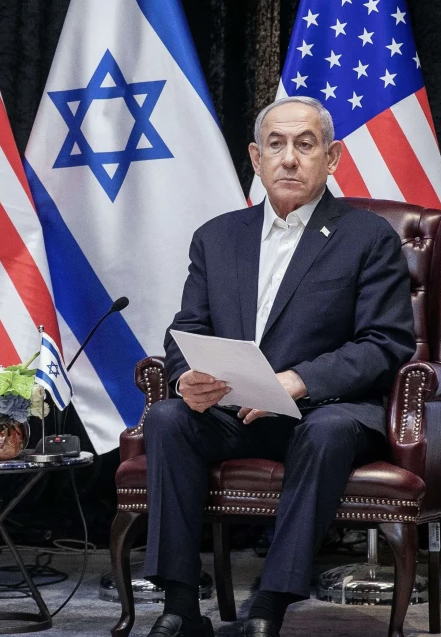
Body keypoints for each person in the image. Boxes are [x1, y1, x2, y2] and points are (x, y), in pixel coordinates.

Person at [140, 96, 415, 637]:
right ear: (256, 157)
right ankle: (179, 607)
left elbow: (387, 343)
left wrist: (300, 380)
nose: (290, 158)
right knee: (169, 418)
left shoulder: (368, 238)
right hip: (233, 411)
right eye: (276, 145)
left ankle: (267, 608)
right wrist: (185, 378)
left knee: (330, 429)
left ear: (332, 158)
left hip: (322, 413)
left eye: (305, 144)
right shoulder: (217, 237)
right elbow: (186, 331)